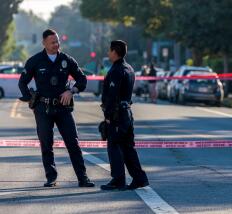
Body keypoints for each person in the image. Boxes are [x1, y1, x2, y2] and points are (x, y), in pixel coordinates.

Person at [18, 29, 95, 188]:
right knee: (46, 143)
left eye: (57, 41)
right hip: (43, 109)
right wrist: (29, 99)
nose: (56, 44)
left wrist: (71, 91)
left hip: (63, 108)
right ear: (44, 43)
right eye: (52, 42)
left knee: (73, 143)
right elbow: (22, 82)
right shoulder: (35, 61)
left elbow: (82, 79)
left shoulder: (66, 59)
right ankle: (51, 178)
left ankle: (83, 177)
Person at [100, 40, 149, 190]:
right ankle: (139, 178)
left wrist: (108, 115)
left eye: (110, 50)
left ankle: (118, 179)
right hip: (127, 113)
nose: (108, 53)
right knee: (128, 147)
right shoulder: (129, 68)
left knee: (114, 146)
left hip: (117, 115)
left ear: (115, 52)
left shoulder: (116, 70)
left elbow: (112, 96)